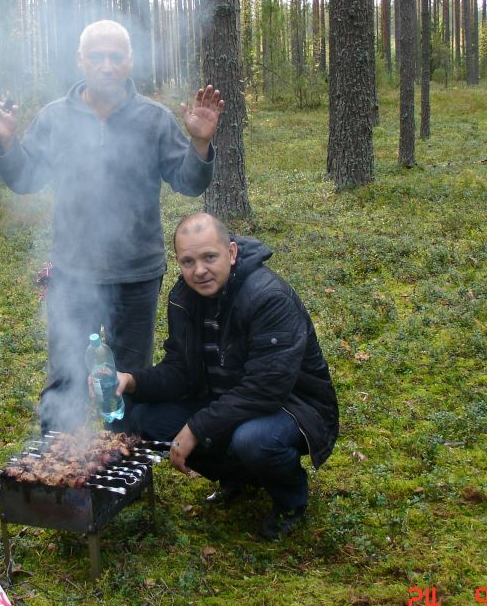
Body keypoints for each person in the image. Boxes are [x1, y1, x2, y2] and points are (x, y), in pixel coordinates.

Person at [0, 20, 225, 432]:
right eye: (96, 56)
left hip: (137, 275)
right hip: (71, 274)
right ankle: (57, 456)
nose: (106, 66)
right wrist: (7, 143)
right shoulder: (55, 118)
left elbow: (188, 183)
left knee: (127, 380)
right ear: (80, 60)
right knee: (66, 376)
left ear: (130, 61)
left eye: (116, 57)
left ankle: (121, 460)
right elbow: (25, 180)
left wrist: (199, 144)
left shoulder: (153, 119)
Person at [115, 213, 339, 540]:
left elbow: (264, 389)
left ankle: (291, 500)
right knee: (148, 419)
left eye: (209, 257)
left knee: (254, 440)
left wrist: (196, 428)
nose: (199, 270)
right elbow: (179, 370)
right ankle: (240, 478)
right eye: (188, 261)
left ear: (231, 253)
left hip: (293, 407)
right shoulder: (184, 297)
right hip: (225, 398)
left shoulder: (268, 297)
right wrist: (132, 381)